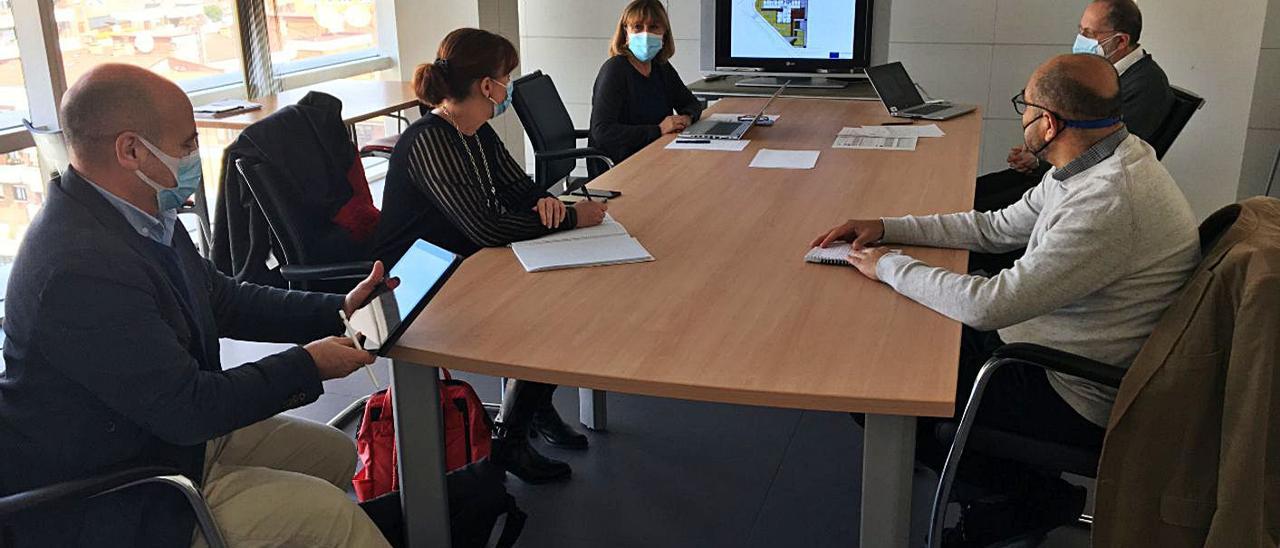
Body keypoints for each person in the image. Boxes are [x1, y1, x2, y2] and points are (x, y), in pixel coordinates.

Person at [0, 65, 395, 547]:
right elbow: (190, 407)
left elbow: (221, 297)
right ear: (131, 150)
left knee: (334, 453)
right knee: (335, 519)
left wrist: (337, 307)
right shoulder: (77, 269)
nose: (194, 157)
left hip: (161, 436)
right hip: (118, 489)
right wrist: (308, 364)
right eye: (187, 145)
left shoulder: (143, 215)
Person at [813, 54, 1199, 545]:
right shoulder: (1095, 158)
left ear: (1050, 123)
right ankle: (1018, 490)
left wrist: (887, 264)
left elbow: (987, 306)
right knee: (893, 359)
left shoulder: (1107, 201)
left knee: (877, 389)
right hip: (1052, 340)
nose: (1022, 117)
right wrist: (888, 226)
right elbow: (994, 227)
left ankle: (1032, 497)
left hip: (1073, 387)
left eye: (1026, 106)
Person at [373, 28, 607, 485]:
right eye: (507, 78)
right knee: (541, 311)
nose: (509, 89)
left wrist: (548, 203)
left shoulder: (475, 131)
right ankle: (511, 439)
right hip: (417, 279)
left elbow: (519, 187)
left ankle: (532, 412)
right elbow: (484, 227)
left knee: (560, 295)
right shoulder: (430, 140)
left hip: (464, 261)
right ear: (487, 85)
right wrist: (568, 220)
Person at [971, 0, 1175, 273]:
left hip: (1074, 180)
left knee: (978, 209)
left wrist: (1039, 159)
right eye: (1081, 30)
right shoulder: (1105, 72)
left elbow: (1100, 150)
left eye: (1090, 34)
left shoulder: (1146, 86)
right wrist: (1038, 150)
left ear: (1122, 40)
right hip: (1055, 173)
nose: (1081, 40)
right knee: (974, 193)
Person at [589, 0, 704, 168]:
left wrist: (687, 117)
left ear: (664, 33)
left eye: (653, 27)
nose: (645, 34)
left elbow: (690, 103)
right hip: (619, 164)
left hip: (655, 153)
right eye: (637, 27)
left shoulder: (661, 66)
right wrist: (658, 130)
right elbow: (602, 131)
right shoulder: (615, 70)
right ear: (625, 33)